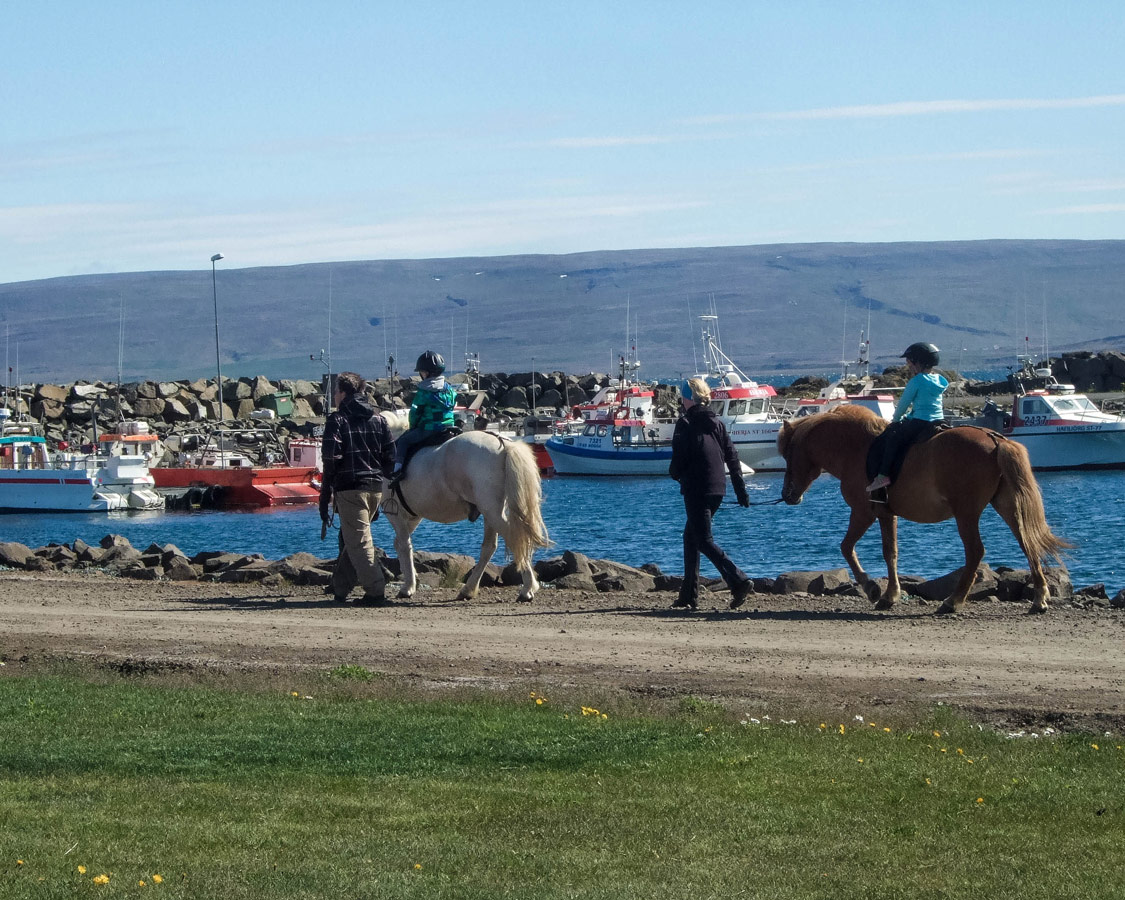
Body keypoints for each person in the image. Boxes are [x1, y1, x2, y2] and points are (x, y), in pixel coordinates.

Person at [668, 377, 753, 610]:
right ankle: (688, 596)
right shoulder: (718, 423)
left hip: (696, 488)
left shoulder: (685, 423)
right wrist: (740, 492)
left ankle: (739, 580)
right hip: (718, 488)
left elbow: (679, 459)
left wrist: (675, 474)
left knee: (704, 541)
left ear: (687, 399)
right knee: (691, 537)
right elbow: (732, 457)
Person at [320, 371, 395, 605]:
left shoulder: (337, 419)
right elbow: (390, 456)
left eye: (335, 392)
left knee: (359, 542)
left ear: (343, 393)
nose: (333, 396)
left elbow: (330, 459)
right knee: (354, 538)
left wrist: (325, 497)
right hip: (375, 488)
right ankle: (340, 588)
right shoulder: (379, 419)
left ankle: (376, 592)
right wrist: (378, 475)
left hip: (349, 488)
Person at [866, 342, 948, 492]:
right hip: (939, 421)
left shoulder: (916, 381)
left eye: (909, 361)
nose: (908, 364)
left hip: (921, 422)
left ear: (918, 362)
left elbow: (903, 404)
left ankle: (882, 476)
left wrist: (895, 420)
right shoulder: (938, 380)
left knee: (892, 439)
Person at [391, 350, 458, 478]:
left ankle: (397, 470)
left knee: (404, 441)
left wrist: (413, 426)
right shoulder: (449, 389)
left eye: (421, 372)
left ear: (426, 373)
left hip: (429, 429)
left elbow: (415, 413)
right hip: (449, 426)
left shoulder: (423, 391)